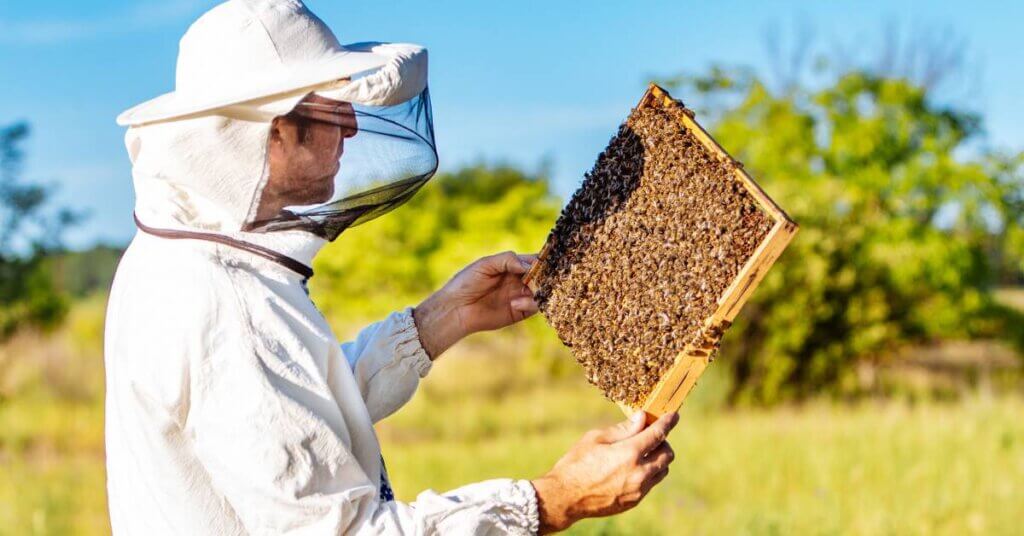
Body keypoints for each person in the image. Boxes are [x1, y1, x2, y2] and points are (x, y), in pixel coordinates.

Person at [105, 1, 677, 534]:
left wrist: (438, 320)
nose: (352, 129)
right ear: (274, 130)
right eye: (334, 110)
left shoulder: (174, 258)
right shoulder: (226, 302)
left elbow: (293, 409)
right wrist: (556, 498)